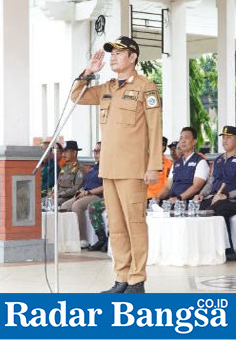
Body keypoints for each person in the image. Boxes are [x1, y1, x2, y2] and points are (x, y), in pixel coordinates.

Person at [71, 36, 162, 294]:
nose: (112, 57)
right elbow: (76, 97)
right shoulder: (107, 87)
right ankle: (121, 277)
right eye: (111, 53)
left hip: (134, 169)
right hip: (109, 169)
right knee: (117, 226)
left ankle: (137, 279)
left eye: (119, 53)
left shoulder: (147, 87)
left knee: (135, 224)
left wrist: (153, 166)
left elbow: (155, 129)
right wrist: (88, 72)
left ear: (133, 57)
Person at [193, 125, 236, 261]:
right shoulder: (218, 160)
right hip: (214, 197)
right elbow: (211, 181)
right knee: (198, 207)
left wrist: (227, 195)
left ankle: (228, 250)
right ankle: (204, 249)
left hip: (234, 201)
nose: (225, 140)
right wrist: (202, 194)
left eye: (229, 137)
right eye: (223, 137)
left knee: (220, 208)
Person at [60, 142, 104, 248]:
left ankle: (82, 239)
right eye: (94, 151)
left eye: (98, 151)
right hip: (86, 193)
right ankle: (70, 238)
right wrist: (81, 191)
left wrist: (88, 192)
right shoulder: (93, 168)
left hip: (98, 195)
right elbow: (85, 184)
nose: (95, 154)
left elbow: (105, 187)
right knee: (65, 206)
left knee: (77, 206)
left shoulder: (106, 167)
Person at [158, 127, 209, 203]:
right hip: (171, 200)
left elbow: (196, 187)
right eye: (181, 138)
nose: (183, 141)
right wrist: (157, 198)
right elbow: (168, 187)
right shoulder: (176, 163)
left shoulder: (200, 162)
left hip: (188, 203)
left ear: (194, 141)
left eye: (187, 138)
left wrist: (179, 199)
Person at [53, 141, 85, 206]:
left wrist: (60, 194)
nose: (63, 155)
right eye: (63, 152)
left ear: (74, 153)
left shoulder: (80, 169)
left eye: (66, 151)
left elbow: (76, 188)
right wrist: (54, 193)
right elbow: (58, 183)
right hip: (59, 196)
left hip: (70, 197)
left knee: (56, 203)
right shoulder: (64, 168)